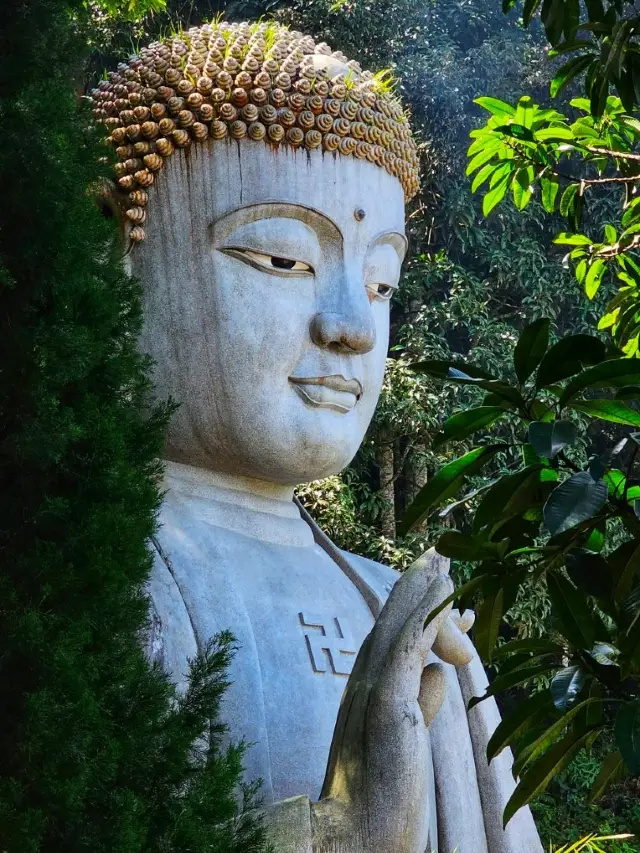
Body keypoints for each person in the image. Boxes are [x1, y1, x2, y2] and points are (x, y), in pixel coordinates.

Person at [92, 22, 543, 852]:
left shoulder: (408, 617)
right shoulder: (76, 576)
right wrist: (341, 831)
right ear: (109, 253)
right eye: (283, 259)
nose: (351, 328)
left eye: (379, 283)